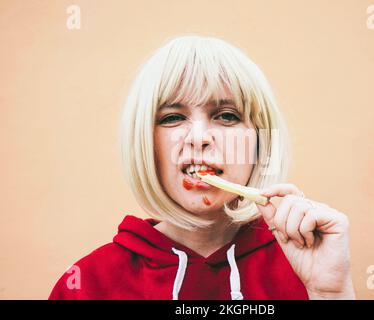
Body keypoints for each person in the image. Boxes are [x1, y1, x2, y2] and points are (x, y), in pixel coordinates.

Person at [49, 35, 355, 300]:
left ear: (261, 142)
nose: (198, 138)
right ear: (143, 142)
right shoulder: (87, 284)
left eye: (226, 116)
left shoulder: (305, 266)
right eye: (172, 118)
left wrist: (330, 294)